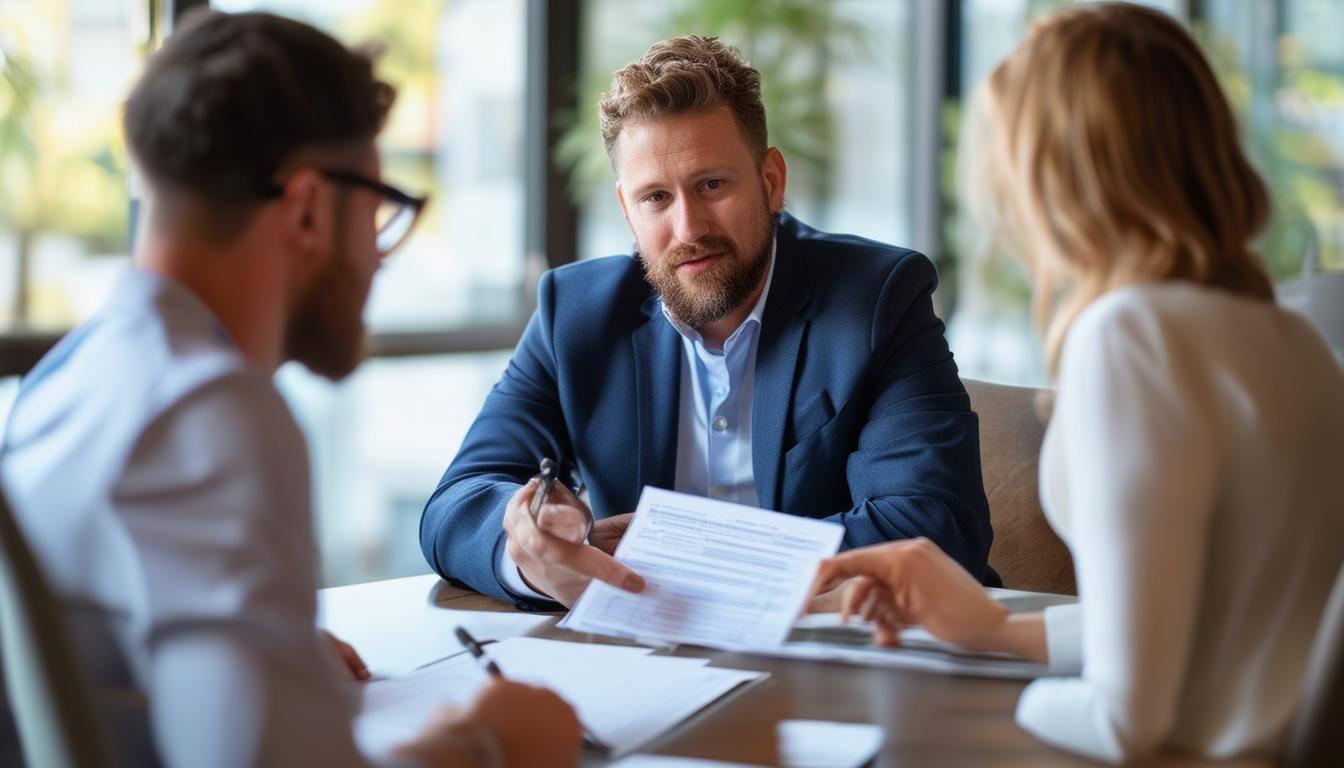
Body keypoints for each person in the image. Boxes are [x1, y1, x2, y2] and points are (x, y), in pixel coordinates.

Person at [0, 11, 581, 768]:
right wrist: (490, 743)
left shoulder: (70, 379)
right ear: (308, 208)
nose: (376, 264)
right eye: (377, 214)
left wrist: (265, 649)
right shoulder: (208, 409)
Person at [810, 3, 1344, 764]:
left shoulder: (1132, 336)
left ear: (1054, 171)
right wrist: (993, 629)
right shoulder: (1293, 339)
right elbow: (1189, 625)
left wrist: (961, 706)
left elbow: (1128, 719)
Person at [419, 35, 994, 612]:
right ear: (627, 210)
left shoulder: (876, 299)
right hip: (650, 667)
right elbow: (455, 506)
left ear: (771, 181)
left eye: (712, 185)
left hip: (850, 661)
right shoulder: (575, 312)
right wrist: (531, 548)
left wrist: (678, 559)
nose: (688, 228)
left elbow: (934, 527)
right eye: (656, 199)